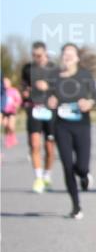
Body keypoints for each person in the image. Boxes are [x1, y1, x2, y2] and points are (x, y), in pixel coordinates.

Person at [47, 43, 96, 219]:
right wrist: (50, 100)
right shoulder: (54, 77)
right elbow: (47, 98)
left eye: (71, 54)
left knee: (82, 166)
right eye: (65, 54)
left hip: (82, 125)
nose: (68, 56)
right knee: (67, 166)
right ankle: (76, 206)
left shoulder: (85, 75)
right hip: (62, 126)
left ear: (77, 57)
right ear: (62, 57)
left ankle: (84, 176)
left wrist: (89, 103)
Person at [20, 41, 57, 192]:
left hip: (50, 112)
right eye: (34, 56)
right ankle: (38, 178)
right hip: (34, 109)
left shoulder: (54, 69)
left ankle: (47, 175)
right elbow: (23, 85)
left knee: (49, 147)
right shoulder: (27, 69)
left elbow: (62, 88)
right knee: (34, 145)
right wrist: (25, 93)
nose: (37, 58)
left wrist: (48, 87)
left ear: (45, 53)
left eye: (40, 55)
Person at [2, 77, 21, 148]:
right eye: (4, 83)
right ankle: (8, 140)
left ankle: (13, 137)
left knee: (11, 126)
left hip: (12, 111)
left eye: (7, 82)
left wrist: (17, 104)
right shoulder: (2, 91)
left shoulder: (14, 91)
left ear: (10, 83)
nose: (5, 84)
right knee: (5, 125)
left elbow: (19, 99)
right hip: (4, 111)